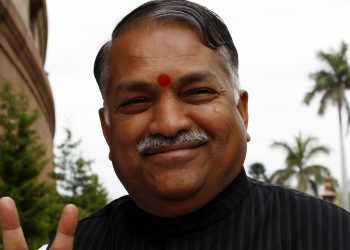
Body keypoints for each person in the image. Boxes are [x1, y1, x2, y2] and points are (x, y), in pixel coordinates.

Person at [1, 0, 349, 249]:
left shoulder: (333, 235)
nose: (168, 124)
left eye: (197, 93)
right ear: (107, 129)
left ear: (241, 112)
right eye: (137, 102)